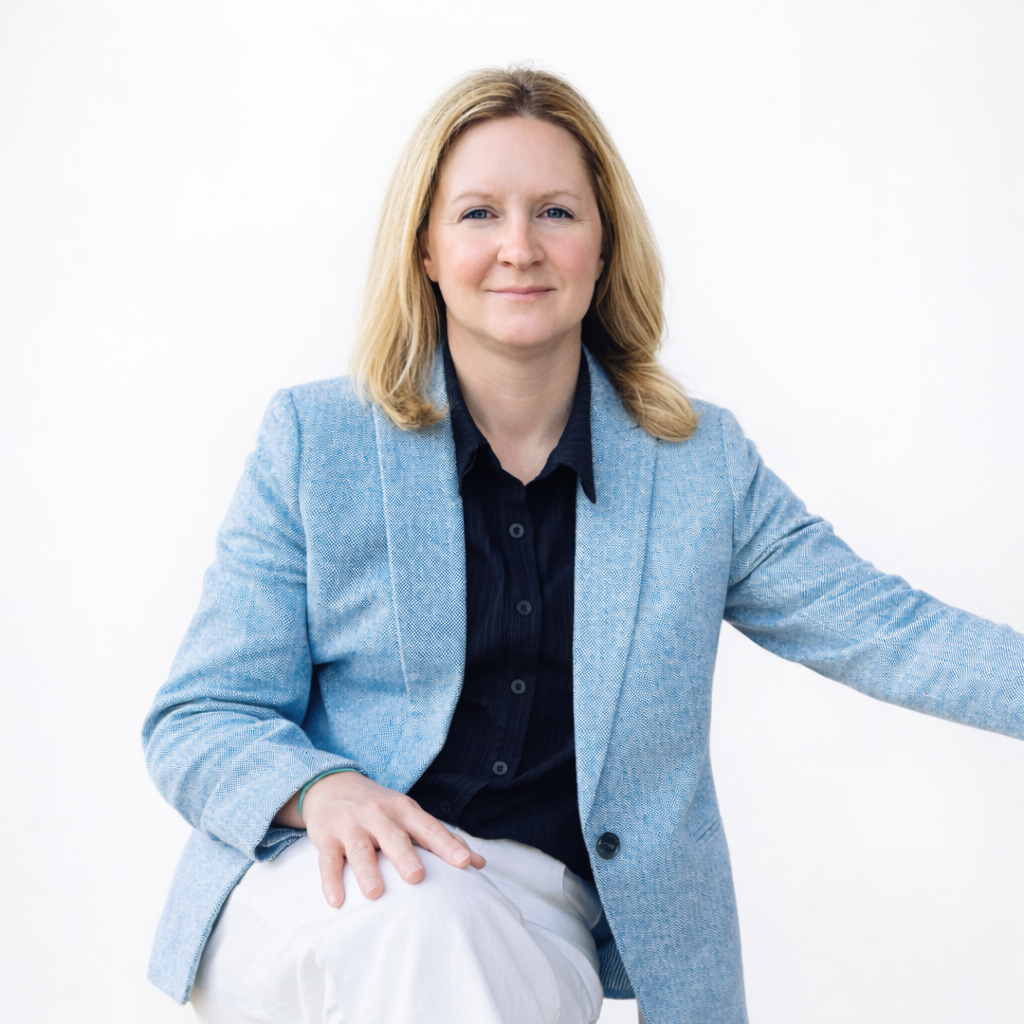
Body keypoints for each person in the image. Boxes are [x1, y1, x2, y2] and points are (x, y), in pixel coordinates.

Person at [142, 67, 1024, 1024]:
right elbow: (199, 717)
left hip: (534, 918)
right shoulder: (318, 442)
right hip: (316, 888)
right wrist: (322, 789)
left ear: (603, 247)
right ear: (426, 249)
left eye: (556, 212)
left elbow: (890, 631)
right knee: (422, 926)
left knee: (452, 943)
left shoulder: (698, 469)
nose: (519, 247)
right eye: (478, 214)